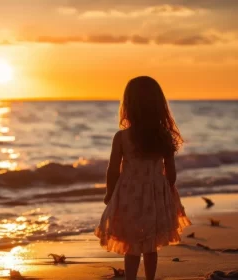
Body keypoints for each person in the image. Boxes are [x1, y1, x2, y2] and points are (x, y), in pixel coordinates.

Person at [94, 76, 191, 280]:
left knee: (132, 243)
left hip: (129, 194)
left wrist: (109, 193)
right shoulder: (163, 136)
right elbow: (171, 172)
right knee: (150, 243)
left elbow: (113, 170)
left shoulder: (122, 137)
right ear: (158, 105)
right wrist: (167, 192)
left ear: (128, 104)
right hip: (155, 193)